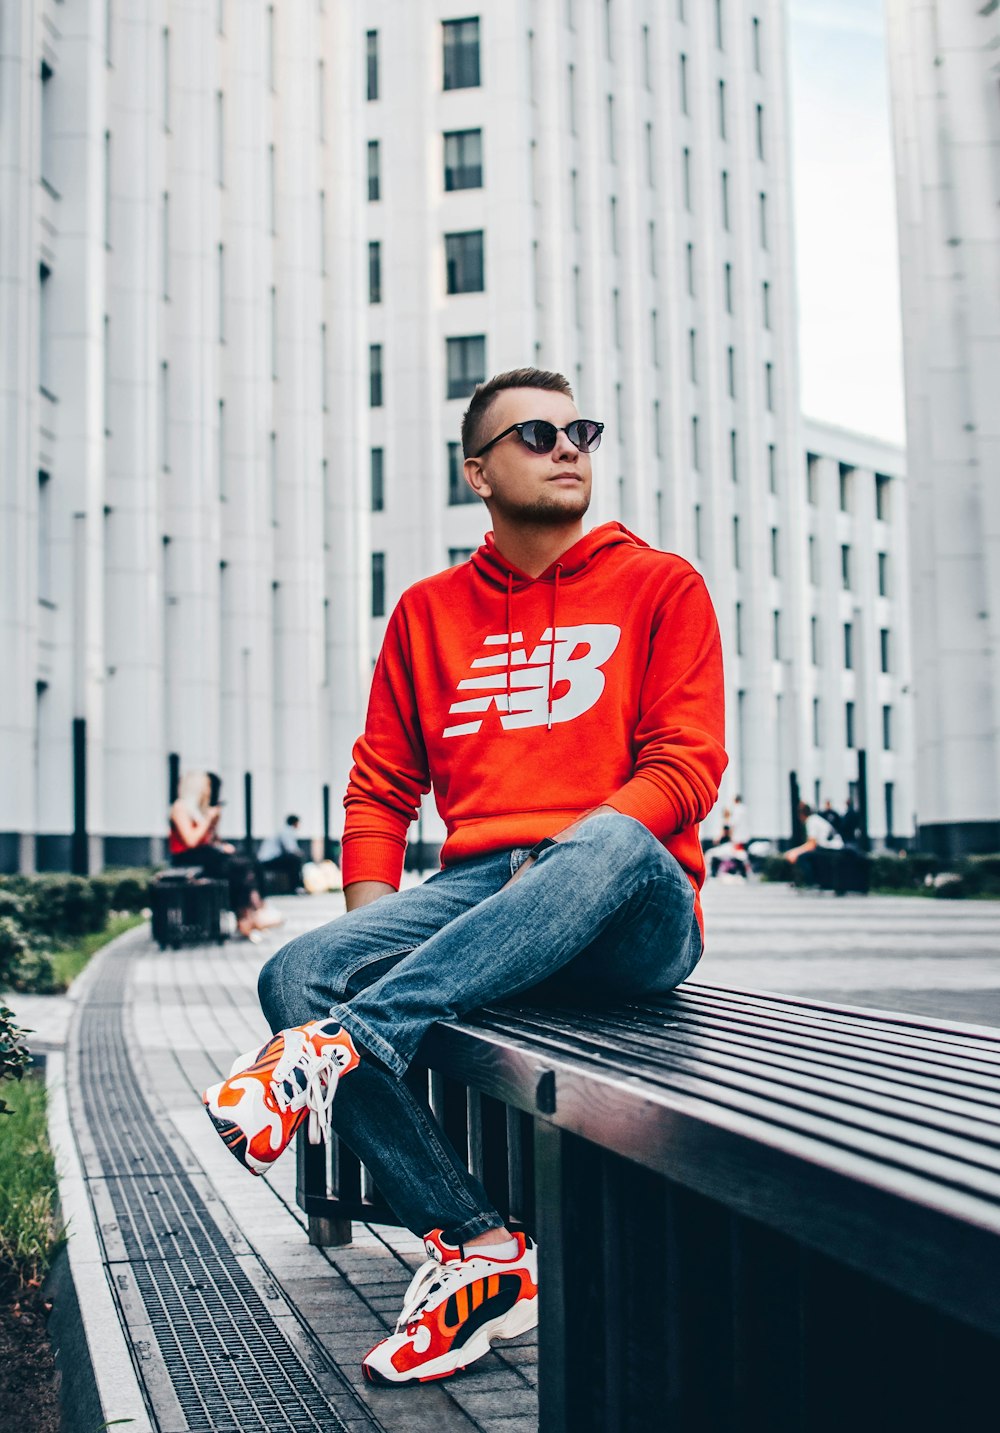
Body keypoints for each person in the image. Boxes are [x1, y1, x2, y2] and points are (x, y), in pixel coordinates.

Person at [203, 368, 727, 1384]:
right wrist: (379, 940)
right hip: (482, 891)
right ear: (477, 471)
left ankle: (338, 1048)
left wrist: (571, 857)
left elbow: (682, 768)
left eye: (580, 428)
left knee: (614, 834)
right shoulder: (428, 612)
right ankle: (481, 1250)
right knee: (299, 973)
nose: (569, 445)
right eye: (537, 433)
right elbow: (380, 790)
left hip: (627, 901)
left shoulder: (660, 584)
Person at [169, 771, 280, 941]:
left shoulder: (200, 810)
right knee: (239, 866)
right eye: (206, 787)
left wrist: (219, 839)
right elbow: (191, 841)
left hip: (206, 855)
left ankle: (255, 911)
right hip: (188, 858)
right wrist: (208, 819)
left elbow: (209, 841)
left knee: (251, 860)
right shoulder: (180, 807)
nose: (209, 792)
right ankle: (247, 918)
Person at [783, 801, 843, 885]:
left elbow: (811, 844)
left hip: (830, 847)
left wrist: (794, 852)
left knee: (802, 858)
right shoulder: (815, 819)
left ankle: (810, 882)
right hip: (833, 846)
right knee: (805, 856)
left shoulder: (811, 821)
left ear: (801, 815)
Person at [258, 815, 305, 891]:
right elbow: (292, 850)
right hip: (268, 860)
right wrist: (301, 854)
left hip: (266, 859)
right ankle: (296, 887)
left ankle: (292, 887)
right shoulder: (287, 831)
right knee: (295, 861)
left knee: (292, 861)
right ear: (295, 823)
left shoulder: (283, 830)